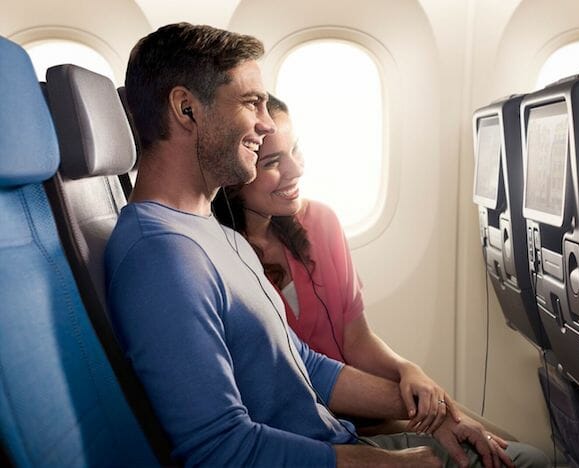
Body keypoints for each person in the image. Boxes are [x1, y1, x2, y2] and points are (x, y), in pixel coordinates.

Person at [106, 22, 549, 467]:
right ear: (186, 109)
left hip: (337, 441)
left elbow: (303, 365)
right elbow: (222, 452)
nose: (264, 122)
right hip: (318, 456)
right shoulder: (160, 258)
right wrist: (399, 465)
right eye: (250, 103)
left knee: (521, 456)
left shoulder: (212, 232)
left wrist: (433, 413)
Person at [218, 94, 518, 440]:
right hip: (305, 427)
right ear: (235, 179)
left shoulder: (321, 223)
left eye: (295, 150)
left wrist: (406, 369)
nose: (296, 170)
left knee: (509, 444)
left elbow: (355, 338)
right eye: (272, 162)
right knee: (514, 456)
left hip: (362, 407)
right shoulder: (226, 256)